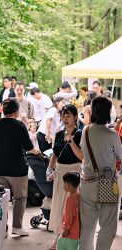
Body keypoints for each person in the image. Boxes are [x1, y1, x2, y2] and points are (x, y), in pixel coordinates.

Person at [0, 98, 41, 236]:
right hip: (17, 168)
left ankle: (3, 229)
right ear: (16, 111)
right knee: (19, 198)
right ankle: (17, 227)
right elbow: (28, 146)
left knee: (1, 199)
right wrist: (36, 151)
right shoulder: (19, 125)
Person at [79, 96, 122, 250]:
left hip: (87, 183)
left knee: (87, 227)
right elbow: (120, 156)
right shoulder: (112, 135)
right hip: (107, 184)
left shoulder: (86, 130)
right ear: (109, 112)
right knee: (108, 227)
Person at [45, 104, 83, 249]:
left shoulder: (80, 133)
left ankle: (63, 239)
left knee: (70, 207)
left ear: (75, 117)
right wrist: (50, 168)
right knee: (59, 204)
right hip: (60, 172)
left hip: (74, 173)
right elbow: (55, 153)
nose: (65, 119)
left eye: (68, 116)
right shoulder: (59, 133)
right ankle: (58, 237)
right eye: (63, 116)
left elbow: (82, 156)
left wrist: (71, 141)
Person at [56, 172, 80, 250]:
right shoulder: (79, 196)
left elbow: (69, 216)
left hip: (70, 233)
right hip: (77, 233)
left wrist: (66, 229)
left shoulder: (70, 200)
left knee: (59, 243)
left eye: (64, 183)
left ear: (68, 185)